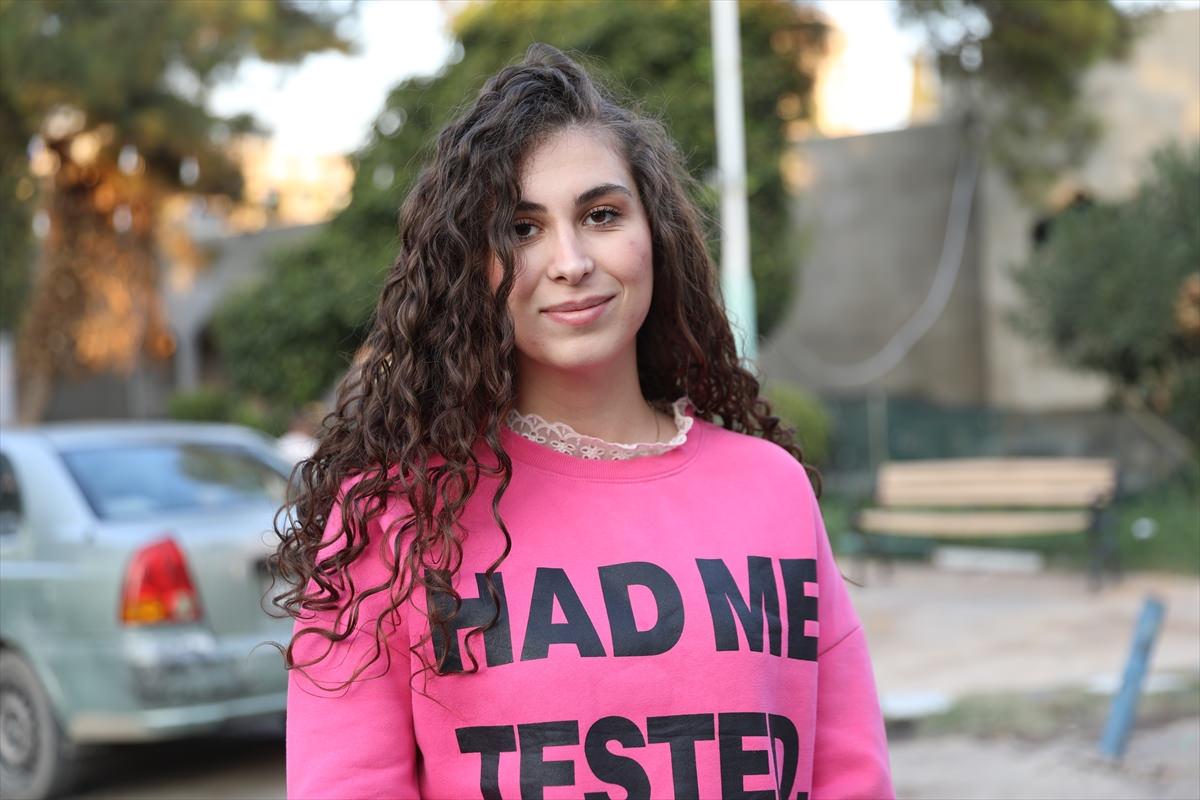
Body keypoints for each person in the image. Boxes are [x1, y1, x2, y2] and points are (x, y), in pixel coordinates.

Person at [278, 44, 893, 799]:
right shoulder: (396, 515)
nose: (570, 262)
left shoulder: (773, 488)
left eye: (601, 215)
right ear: (471, 265)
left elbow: (849, 775)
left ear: (654, 234)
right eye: (522, 229)